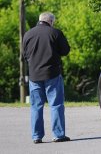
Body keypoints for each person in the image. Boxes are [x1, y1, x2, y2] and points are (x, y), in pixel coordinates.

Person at [23, 12, 71, 144]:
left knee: (36, 106)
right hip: (52, 74)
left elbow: (25, 54)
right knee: (56, 105)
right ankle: (58, 135)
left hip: (34, 75)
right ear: (50, 21)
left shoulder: (28, 34)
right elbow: (65, 50)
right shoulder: (55, 33)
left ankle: (36, 136)